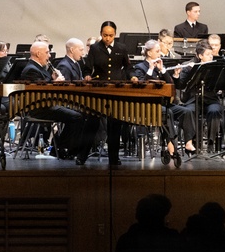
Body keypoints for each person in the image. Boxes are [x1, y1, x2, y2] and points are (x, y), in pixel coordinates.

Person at [21, 40, 99, 165]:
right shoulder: (31, 69)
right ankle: (60, 147)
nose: (49, 56)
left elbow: (44, 84)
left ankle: (68, 148)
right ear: (37, 53)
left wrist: (52, 79)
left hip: (46, 105)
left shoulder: (38, 67)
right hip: (39, 108)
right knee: (76, 116)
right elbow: (39, 92)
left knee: (80, 114)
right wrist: (54, 83)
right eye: (47, 52)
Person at [131, 39, 191, 163]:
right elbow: (142, 88)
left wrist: (163, 70)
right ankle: (171, 147)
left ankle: (187, 143)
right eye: (157, 51)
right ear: (149, 53)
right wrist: (151, 69)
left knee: (186, 112)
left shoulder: (159, 67)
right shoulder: (140, 67)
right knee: (166, 114)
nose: (160, 54)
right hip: (148, 105)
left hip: (163, 103)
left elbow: (170, 85)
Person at [82, 20, 132, 166]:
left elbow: (128, 67)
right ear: (101, 34)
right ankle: (82, 155)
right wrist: (87, 75)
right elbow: (87, 68)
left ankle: (114, 157)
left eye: (110, 35)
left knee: (114, 124)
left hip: (115, 90)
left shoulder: (122, 48)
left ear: (115, 35)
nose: (108, 38)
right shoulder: (95, 48)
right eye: (105, 35)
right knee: (92, 123)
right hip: (98, 90)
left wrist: (132, 76)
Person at [174, 38, 225, 151]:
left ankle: (211, 142)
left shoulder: (215, 67)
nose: (211, 57)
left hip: (211, 99)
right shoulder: (188, 66)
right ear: (200, 56)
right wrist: (178, 75)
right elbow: (180, 85)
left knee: (215, 110)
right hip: (193, 99)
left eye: (211, 54)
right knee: (190, 111)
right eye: (208, 54)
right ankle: (193, 142)